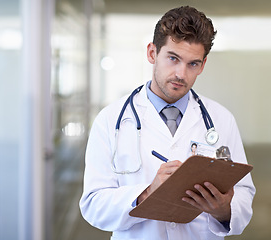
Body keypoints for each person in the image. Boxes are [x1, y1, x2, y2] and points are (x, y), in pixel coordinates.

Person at [79, 6, 255, 240]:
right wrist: (147, 193)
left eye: (192, 64)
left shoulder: (222, 119)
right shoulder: (110, 120)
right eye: (173, 58)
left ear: (202, 65)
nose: (181, 74)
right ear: (152, 53)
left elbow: (243, 194)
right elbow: (93, 205)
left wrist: (223, 209)